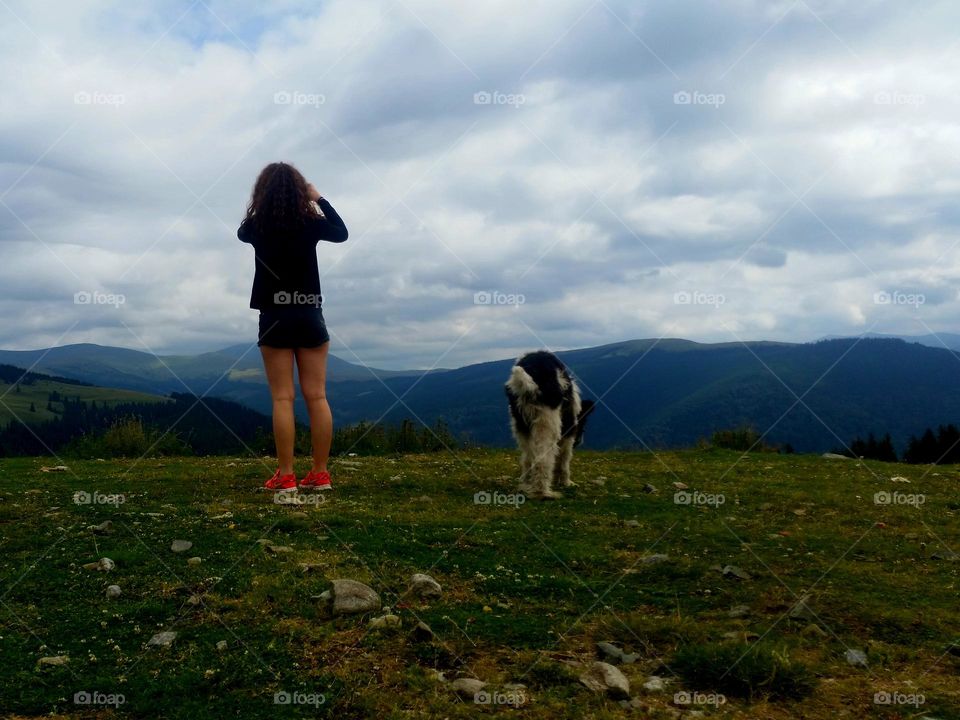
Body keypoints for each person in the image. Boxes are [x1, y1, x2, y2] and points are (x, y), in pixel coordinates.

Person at [238, 162, 348, 491]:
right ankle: (320, 473)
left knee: (283, 399)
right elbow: (341, 232)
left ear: (263, 192)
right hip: (309, 313)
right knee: (317, 396)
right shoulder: (311, 223)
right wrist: (318, 198)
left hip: (274, 317)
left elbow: (242, 231)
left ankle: (286, 476)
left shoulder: (258, 227)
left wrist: (262, 202)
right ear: (302, 191)